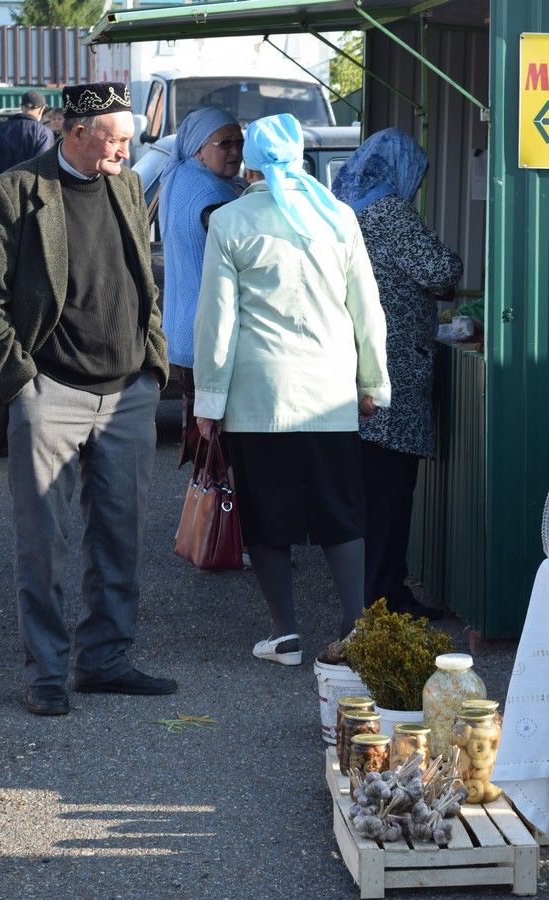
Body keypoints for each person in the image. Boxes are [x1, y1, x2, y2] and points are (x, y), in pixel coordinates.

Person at [0, 81, 175, 717]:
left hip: (128, 392)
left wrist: (152, 365)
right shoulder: (14, 193)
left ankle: (104, 660)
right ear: (74, 133)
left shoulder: (128, 187)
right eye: (115, 140)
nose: (126, 153)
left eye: (130, 141)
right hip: (49, 392)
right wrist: (21, 382)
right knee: (42, 542)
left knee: (120, 536)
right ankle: (47, 674)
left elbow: (142, 280)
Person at [192, 113, 390, 668]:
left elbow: (217, 323)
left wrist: (209, 402)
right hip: (330, 394)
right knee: (341, 511)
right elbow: (367, 312)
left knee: (267, 514)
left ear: (250, 161)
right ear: (300, 156)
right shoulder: (339, 217)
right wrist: (372, 383)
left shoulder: (230, 222)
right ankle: (356, 628)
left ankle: (285, 635)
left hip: (260, 398)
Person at [331, 128, 462, 625]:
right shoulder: (389, 213)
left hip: (354, 370)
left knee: (365, 495)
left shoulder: (346, 210)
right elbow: (440, 270)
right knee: (388, 494)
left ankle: (370, 592)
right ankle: (383, 599)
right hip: (392, 376)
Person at [159, 106, 245, 464]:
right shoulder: (213, 195)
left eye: (240, 143)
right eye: (224, 143)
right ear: (198, 147)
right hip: (209, 339)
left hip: (181, 335)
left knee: (205, 451)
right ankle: (213, 520)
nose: (235, 152)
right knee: (220, 456)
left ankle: (206, 516)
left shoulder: (177, 177)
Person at [0, 90, 55, 178]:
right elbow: (42, 167)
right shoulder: (44, 133)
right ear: (41, 109)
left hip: (0, 188)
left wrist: (0, 183)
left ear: (22, 107)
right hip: (29, 189)